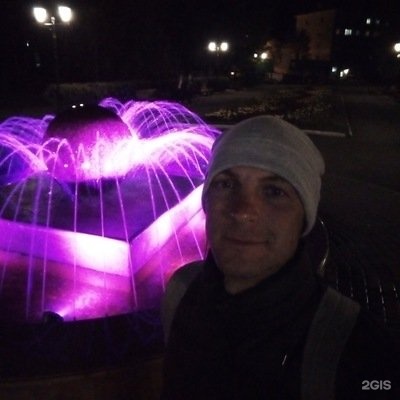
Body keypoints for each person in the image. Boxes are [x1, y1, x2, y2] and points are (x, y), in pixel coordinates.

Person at [160, 116, 399, 399]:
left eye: (274, 192)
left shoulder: (358, 350)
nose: (243, 211)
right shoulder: (180, 293)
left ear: (304, 218)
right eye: (225, 184)